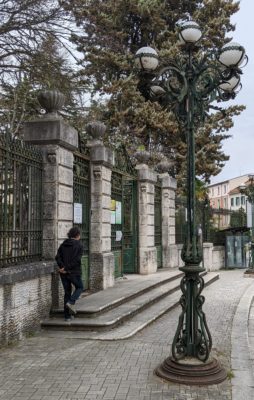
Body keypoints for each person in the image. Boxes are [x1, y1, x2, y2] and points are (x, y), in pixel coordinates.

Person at [55, 227, 84, 321]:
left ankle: (67, 316)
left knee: (67, 292)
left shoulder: (63, 244)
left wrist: (62, 267)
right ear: (78, 235)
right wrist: (67, 268)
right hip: (74, 272)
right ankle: (71, 302)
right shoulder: (79, 245)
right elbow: (77, 260)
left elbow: (57, 257)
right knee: (79, 287)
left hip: (63, 273)